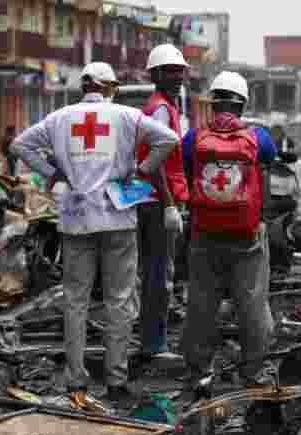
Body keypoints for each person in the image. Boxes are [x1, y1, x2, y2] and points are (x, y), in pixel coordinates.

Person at [10, 61, 179, 405]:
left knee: (75, 301)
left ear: (84, 87)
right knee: (119, 300)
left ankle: (76, 381)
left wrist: (52, 173)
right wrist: (143, 170)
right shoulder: (126, 116)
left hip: (75, 218)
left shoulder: (59, 118)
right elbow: (169, 139)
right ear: (109, 87)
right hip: (117, 217)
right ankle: (116, 380)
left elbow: (19, 145)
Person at [180, 71, 278, 390]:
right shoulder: (259, 137)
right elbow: (270, 158)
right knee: (252, 303)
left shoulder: (194, 138)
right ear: (242, 104)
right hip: (246, 235)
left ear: (213, 102)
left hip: (204, 233)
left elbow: (183, 168)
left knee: (201, 303)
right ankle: (253, 372)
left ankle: (199, 372)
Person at [136, 44, 190, 365]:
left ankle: (152, 341)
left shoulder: (166, 107)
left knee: (157, 272)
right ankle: (154, 345)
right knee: (159, 273)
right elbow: (153, 161)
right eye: (170, 71)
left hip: (157, 198)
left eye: (179, 70)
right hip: (158, 202)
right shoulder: (159, 109)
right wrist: (169, 204)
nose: (177, 76)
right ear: (155, 75)